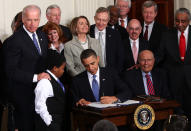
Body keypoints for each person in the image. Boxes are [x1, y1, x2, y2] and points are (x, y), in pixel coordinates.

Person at [3, 5, 49, 131]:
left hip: (40, 93)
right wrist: (36, 77)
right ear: (23, 19)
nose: (32, 24)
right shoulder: (14, 40)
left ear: (40, 19)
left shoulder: (42, 36)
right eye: (29, 20)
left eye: (36, 20)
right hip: (22, 94)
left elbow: (43, 62)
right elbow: (10, 71)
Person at [156, 8, 191, 122]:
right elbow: (159, 56)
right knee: (176, 116)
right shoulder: (167, 34)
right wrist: (145, 63)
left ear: (189, 21)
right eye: (177, 21)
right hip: (173, 82)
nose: (179, 24)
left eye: (183, 21)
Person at [34, 50, 66, 131]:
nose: (63, 71)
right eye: (62, 68)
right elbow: (40, 105)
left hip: (56, 122)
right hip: (48, 126)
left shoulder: (54, 79)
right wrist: (50, 123)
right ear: (55, 68)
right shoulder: (45, 82)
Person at [90, 7, 124, 72]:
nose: (101, 23)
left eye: (104, 20)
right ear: (94, 18)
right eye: (98, 19)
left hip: (110, 73)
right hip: (91, 72)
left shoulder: (115, 34)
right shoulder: (88, 31)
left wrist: (115, 73)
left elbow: (120, 57)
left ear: (108, 20)